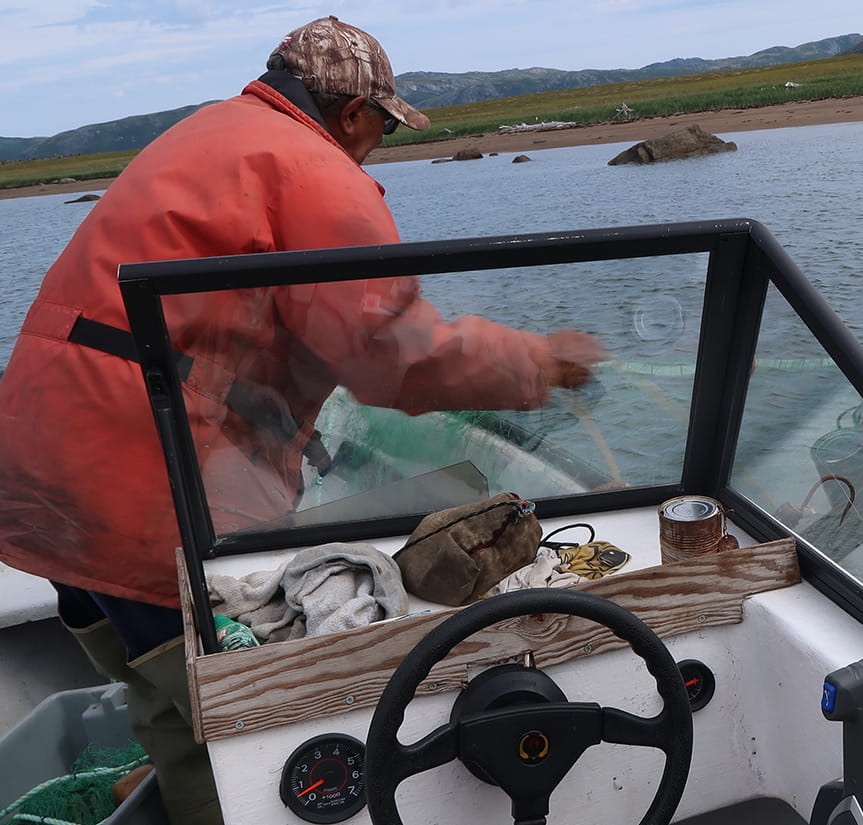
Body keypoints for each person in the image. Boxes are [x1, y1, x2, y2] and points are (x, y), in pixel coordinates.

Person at [0, 16, 602, 825]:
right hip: (137, 494)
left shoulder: (213, 134)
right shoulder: (313, 169)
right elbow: (394, 353)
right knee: (251, 729)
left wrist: (286, 421)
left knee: (168, 716)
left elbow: (201, 324)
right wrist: (536, 363)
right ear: (352, 113)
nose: (376, 143)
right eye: (381, 126)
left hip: (40, 474)